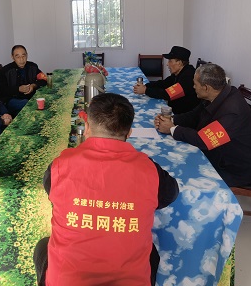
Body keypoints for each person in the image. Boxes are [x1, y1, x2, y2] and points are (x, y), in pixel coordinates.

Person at [34, 93, 179, 286]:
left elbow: (51, 190)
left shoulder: (60, 165)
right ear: (129, 133)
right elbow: (170, 194)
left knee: (43, 246)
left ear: (87, 127)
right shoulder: (149, 170)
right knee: (150, 251)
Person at [156, 63, 251, 187]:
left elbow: (203, 140)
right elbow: (194, 116)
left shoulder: (232, 112)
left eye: (195, 84)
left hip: (234, 170)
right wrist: (171, 120)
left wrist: (172, 129)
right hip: (218, 155)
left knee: (180, 175)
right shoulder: (219, 94)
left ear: (206, 88)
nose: (193, 87)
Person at [133, 46, 199, 114]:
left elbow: (168, 94)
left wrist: (145, 90)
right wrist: (146, 86)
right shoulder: (178, 73)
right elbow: (164, 83)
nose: (167, 64)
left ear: (179, 63)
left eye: (170, 61)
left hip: (183, 115)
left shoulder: (188, 77)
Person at [0, 45, 47, 116]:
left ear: (27, 55)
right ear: (12, 57)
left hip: (29, 98)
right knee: (28, 104)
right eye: (18, 57)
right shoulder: (5, 70)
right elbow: (0, 90)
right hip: (12, 100)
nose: (21, 59)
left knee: (42, 101)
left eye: (23, 56)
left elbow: (44, 79)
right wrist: (18, 89)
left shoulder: (33, 66)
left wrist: (33, 85)